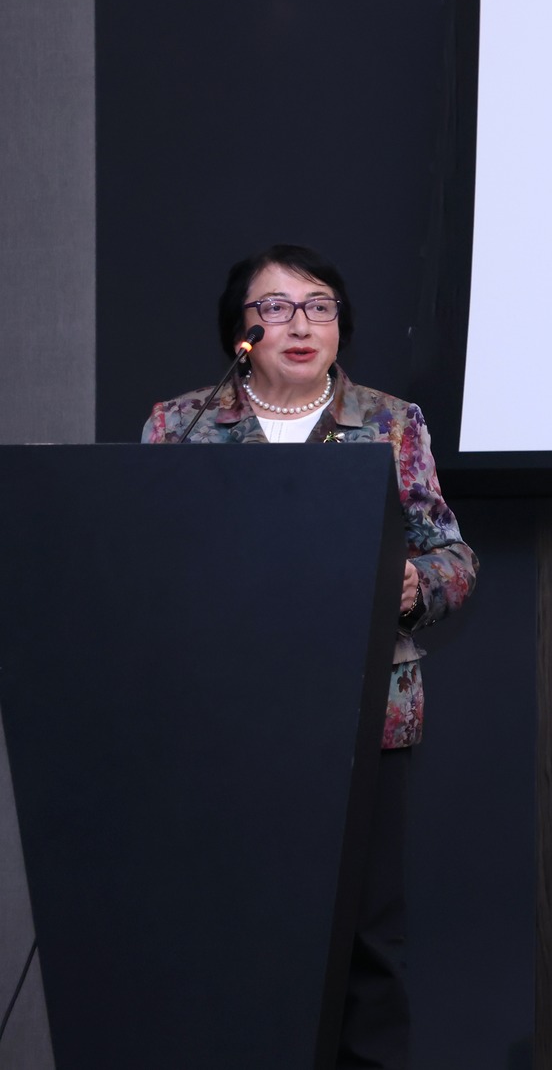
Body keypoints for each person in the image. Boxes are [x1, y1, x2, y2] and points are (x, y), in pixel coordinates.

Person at [143, 243, 478, 1069]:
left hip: (364, 717)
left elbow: (454, 554)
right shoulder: (181, 424)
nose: (301, 324)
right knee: (230, 928)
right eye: (277, 307)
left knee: (366, 937)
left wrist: (417, 582)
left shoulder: (391, 422)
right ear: (241, 330)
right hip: (224, 719)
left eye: (319, 305)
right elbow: (142, 556)